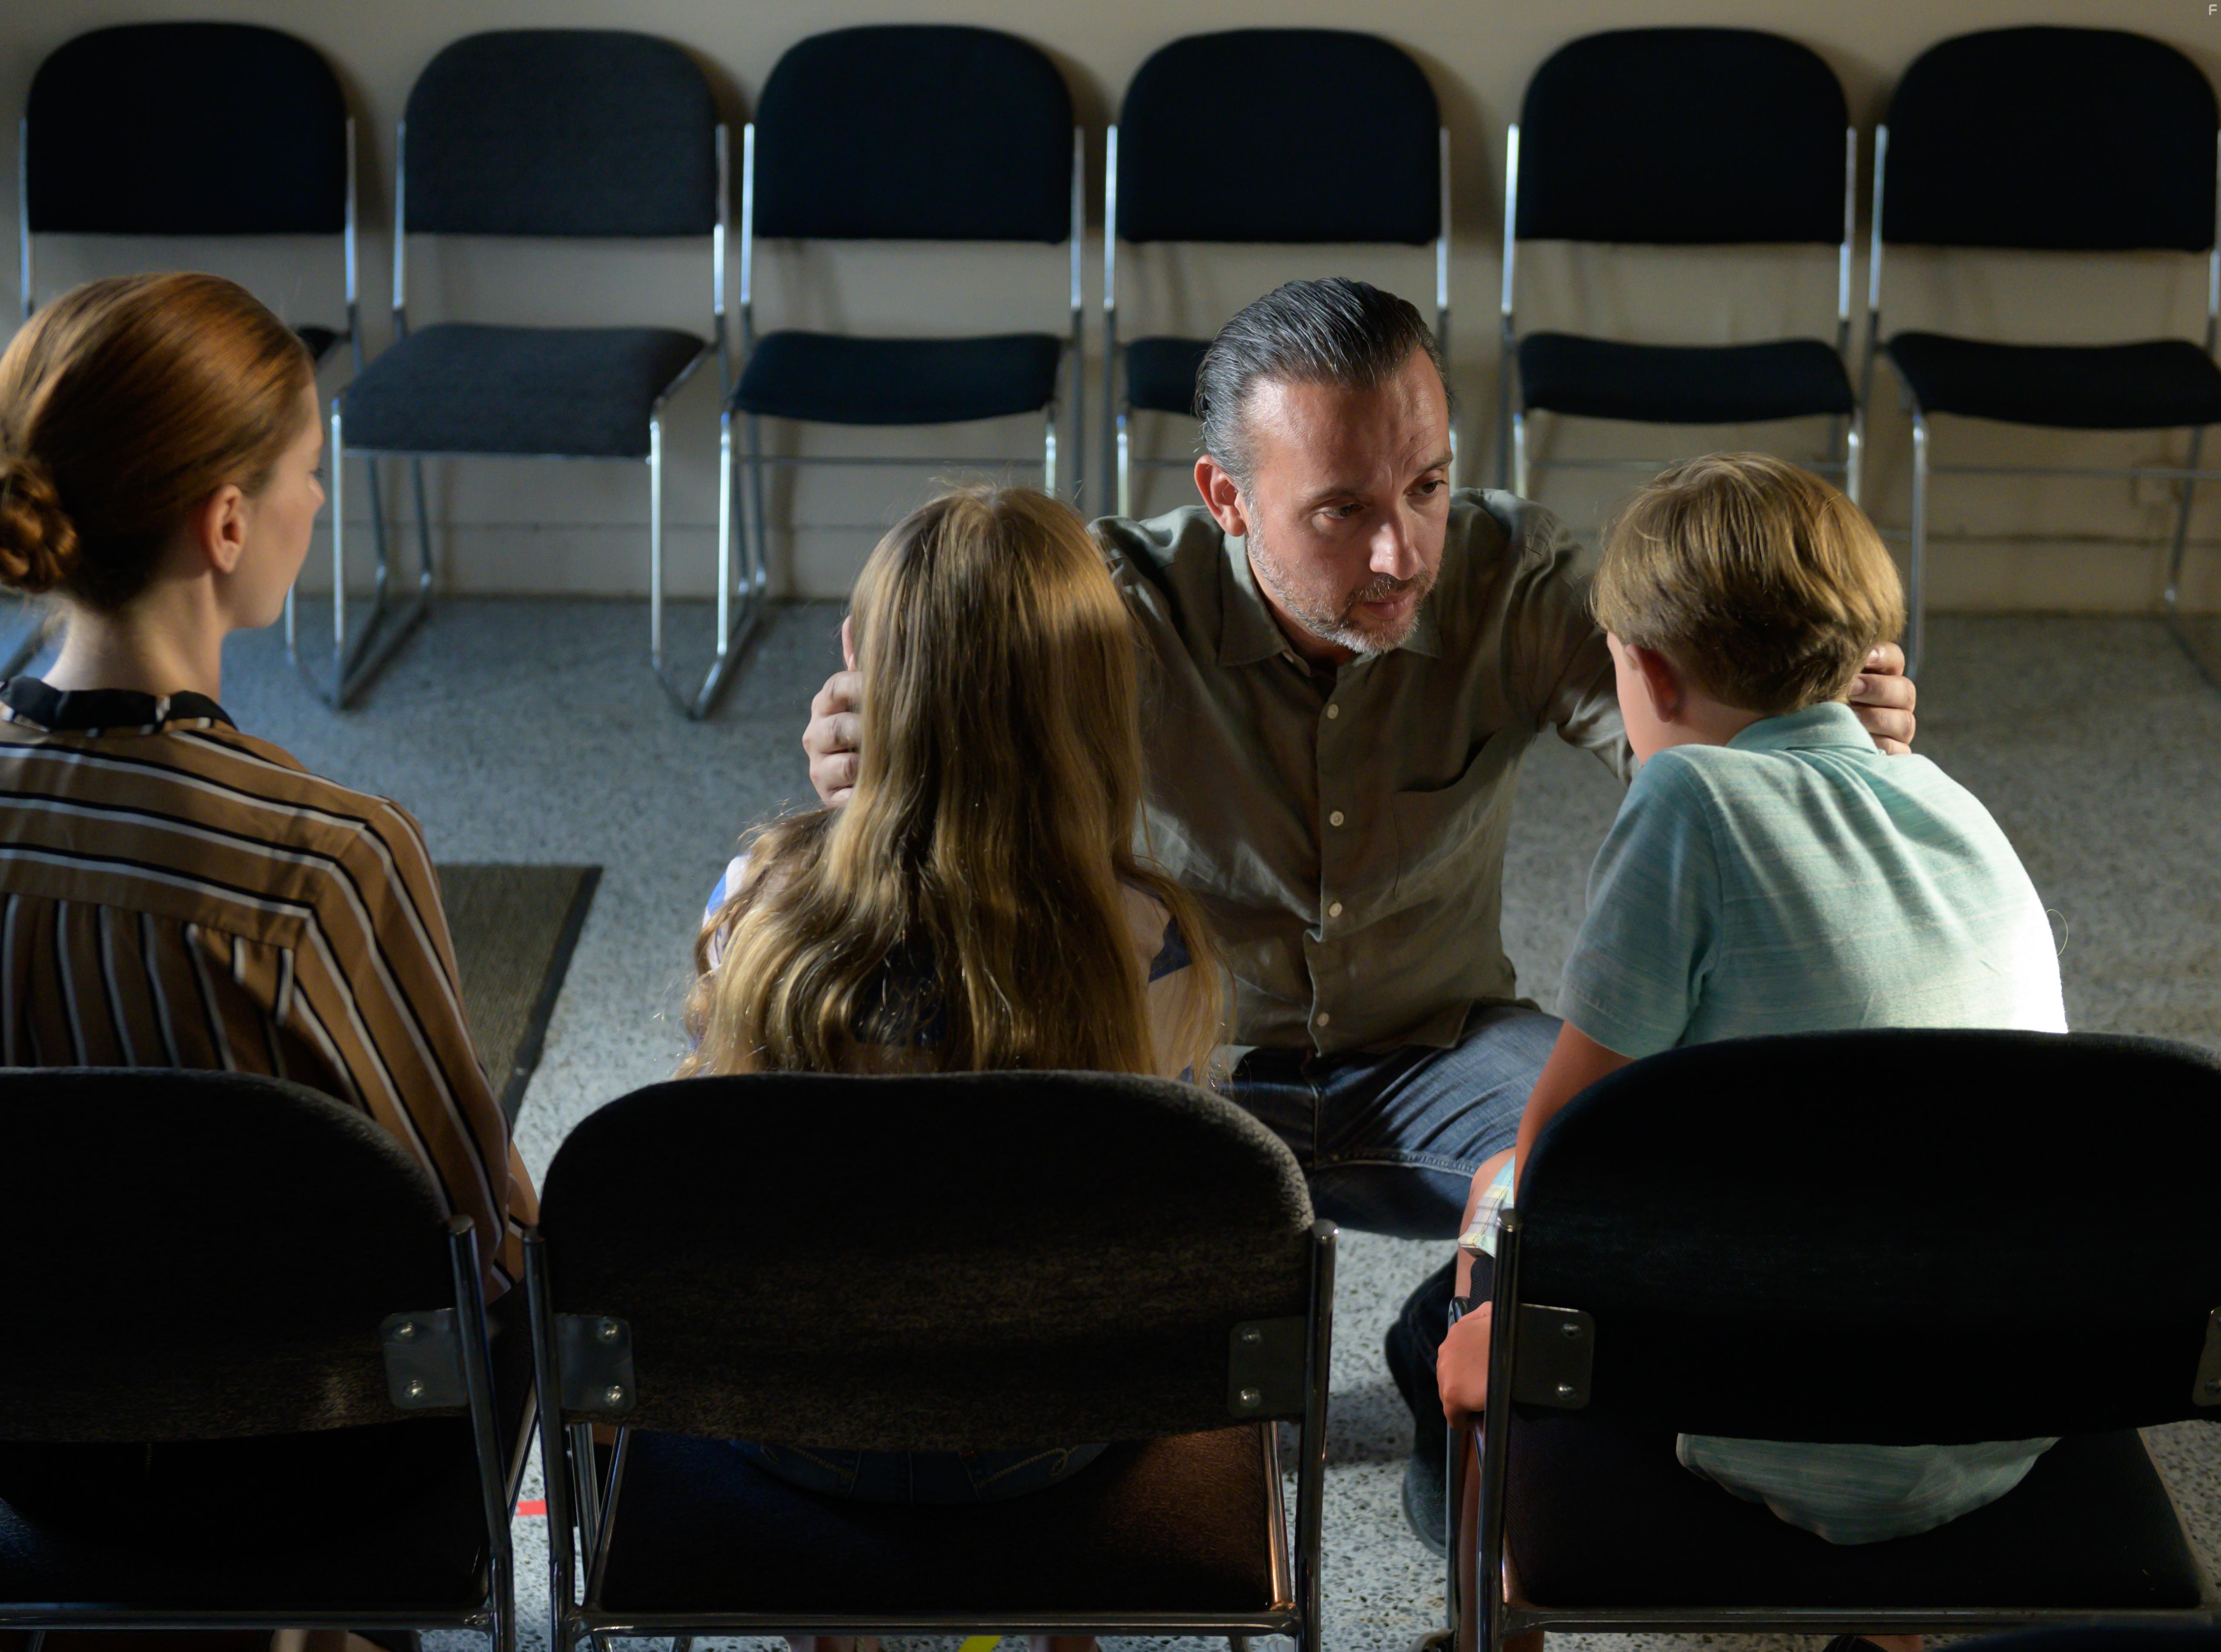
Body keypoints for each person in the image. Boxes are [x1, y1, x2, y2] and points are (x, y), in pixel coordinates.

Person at [799, 279, 1921, 1545]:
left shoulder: (1516, 577)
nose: (1401, 555)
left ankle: (1442, 1353)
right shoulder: (1109, 606)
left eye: (1428, 489)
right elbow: (929, 739)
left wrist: (1819, 726)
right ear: (1226, 499)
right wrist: (868, 746)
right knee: (1007, 1207)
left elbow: (1704, 742)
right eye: (1340, 510)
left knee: (1646, 1174)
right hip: (1186, 1068)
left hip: (1436, 1047)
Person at [0, 273, 536, 1555]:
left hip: (14, 1441)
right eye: (307, 471)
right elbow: (470, 1240)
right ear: (223, 524)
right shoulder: (325, 864)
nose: (317, 503)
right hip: (305, 1456)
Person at [1434, 454, 2064, 1652]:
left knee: (1474, 1283)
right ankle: (1893, 1632)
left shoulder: (1687, 805)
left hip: (1777, 1410)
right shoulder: (1955, 806)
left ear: (1648, 667)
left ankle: (1487, 1635)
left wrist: (1497, 1257)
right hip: (2005, 1404)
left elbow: (1559, 1169)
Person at [689, 485, 1228, 1652]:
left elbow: (703, 1189)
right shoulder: (1151, 944)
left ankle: (832, 1629)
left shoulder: (757, 912)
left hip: (798, 1432)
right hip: (1055, 1438)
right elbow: (1165, 1235)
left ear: (854, 662)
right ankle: (1064, 1622)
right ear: (1102, 697)